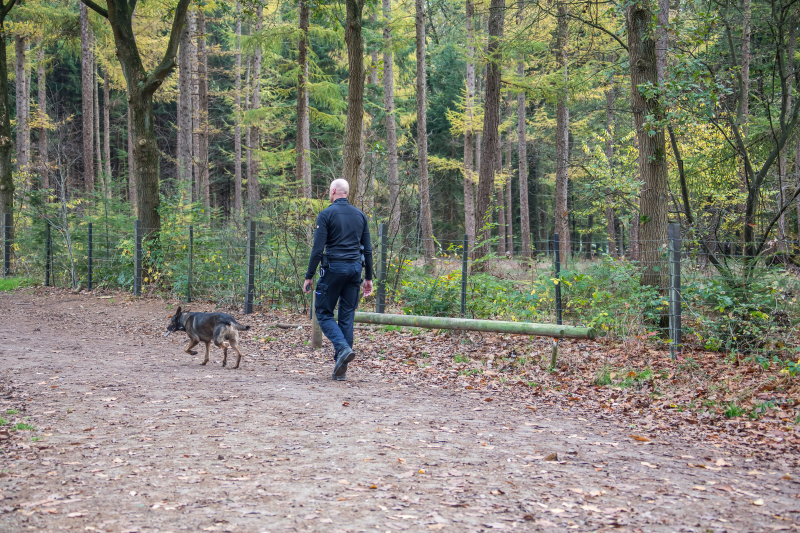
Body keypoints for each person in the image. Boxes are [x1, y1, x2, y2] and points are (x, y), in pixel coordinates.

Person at [303, 179, 373, 380]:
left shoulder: (326, 214)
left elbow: (318, 249)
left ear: (333, 191)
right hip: (354, 270)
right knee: (346, 316)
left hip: (333, 268)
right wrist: (368, 277)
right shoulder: (360, 216)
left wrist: (309, 275)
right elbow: (367, 249)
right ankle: (341, 369)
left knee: (322, 312)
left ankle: (342, 348)